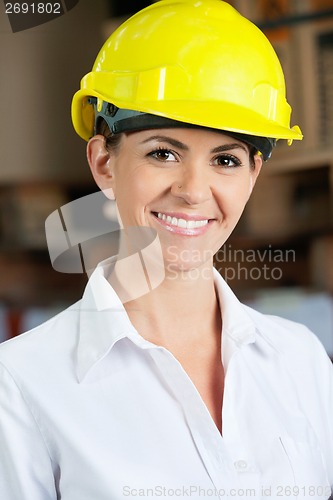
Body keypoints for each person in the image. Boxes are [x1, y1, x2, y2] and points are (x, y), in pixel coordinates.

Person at [0, 1, 332, 499]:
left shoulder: (301, 359)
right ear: (104, 164)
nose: (194, 190)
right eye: (163, 152)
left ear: (253, 176)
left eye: (225, 158)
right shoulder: (21, 384)